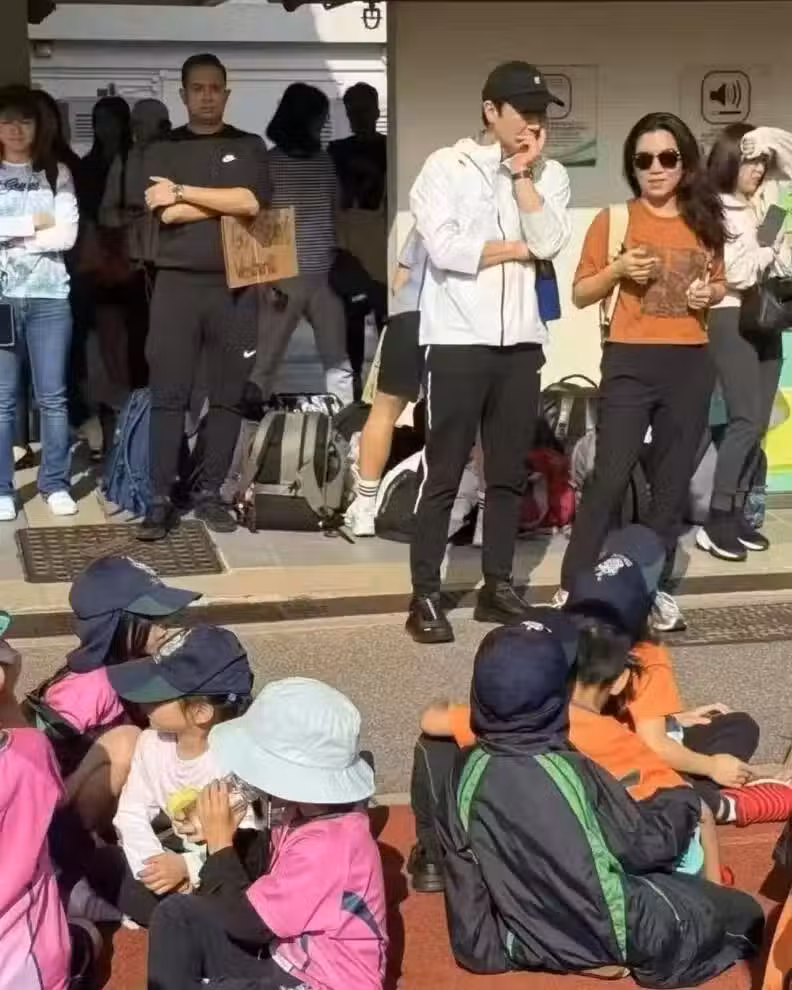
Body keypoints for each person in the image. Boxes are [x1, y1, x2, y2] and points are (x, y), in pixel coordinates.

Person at [434, 618, 764, 984]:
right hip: (611, 926)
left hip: (524, 932)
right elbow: (641, 847)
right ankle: (594, 954)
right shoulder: (571, 768)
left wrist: (487, 950)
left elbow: (464, 876)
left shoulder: (465, 769)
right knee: (745, 916)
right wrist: (682, 802)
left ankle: (563, 952)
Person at [405, 62, 571, 645]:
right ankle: (425, 593)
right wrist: (518, 247)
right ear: (490, 111)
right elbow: (446, 249)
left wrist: (523, 175)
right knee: (444, 470)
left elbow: (550, 241)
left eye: (540, 113)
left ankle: (497, 584)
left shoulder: (549, 175)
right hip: (456, 339)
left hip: (521, 343)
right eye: (522, 110)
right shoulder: (444, 166)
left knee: (507, 472)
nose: (532, 122)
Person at [556, 113, 728, 633]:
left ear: (685, 163)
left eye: (667, 157)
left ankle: (649, 589)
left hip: (690, 361)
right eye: (643, 159)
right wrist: (618, 270)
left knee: (671, 486)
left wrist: (709, 293)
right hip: (629, 359)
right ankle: (574, 586)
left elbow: (719, 282)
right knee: (610, 475)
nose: (655, 168)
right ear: (632, 166)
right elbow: (580, 292)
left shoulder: (704, 219)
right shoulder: (614, 219)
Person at [146, 676, 387, 990]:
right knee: (177, 914)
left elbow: (247, 924)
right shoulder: (299, 811)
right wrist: (229, 834)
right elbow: (260, 870)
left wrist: (220, 843)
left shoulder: (331, 846)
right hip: (283, 958)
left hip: (321, 982)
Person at [131, 53, 271, 540]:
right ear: (183, 94)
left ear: (226, 94)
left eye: (215, 88)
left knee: (228, 396)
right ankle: (160, 498)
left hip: (235, 286)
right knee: (169, 394)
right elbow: (166, 214)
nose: (207, 96)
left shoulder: (249, 145)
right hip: (177, 285)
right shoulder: (162, 149)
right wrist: (221, 199)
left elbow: (251, 202)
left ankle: (211, 493)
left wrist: (185, 192)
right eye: (198, 88)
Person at [70, 625, 256, 928]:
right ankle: (179, 919)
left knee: (233, 901)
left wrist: (188, 867)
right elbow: (131, 813)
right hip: (171, 862)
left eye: (157, 694)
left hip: (224, 870)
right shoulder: (151, 743)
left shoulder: (237, 760)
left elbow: (252, 843)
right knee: (105, 863)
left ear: (200, 712)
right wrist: (154, 867)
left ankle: (183, 923)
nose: (142, 700)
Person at [23, 556, 200, 830]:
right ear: (114, 626)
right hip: (60, 810)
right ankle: (88, 840)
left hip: (112, 786)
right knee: (128, 740)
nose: (165, 628)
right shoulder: (91, 685)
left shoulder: (138, 665)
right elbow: (34, 760)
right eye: (152, 619)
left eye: (165, 617)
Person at [697, 124, 792, 561]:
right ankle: (717, 520)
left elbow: (780, 263)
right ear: (729, 161)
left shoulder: (767, 204)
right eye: (750, 160)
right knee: (743, 420)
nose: (757, 170)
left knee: (759, 423)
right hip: (731, 315)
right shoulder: (718, 207)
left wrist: (769, 139)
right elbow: (737, 272)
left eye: (763, 162)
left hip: (768, 316)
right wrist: (771, 250)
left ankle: (736, 514)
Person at [0, 616, 100, 990]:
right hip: (21, 963)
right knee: (88, 935)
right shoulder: (27, 753)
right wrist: (7, 695)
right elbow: (54, 797)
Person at [247, 83, 354, 409]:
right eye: (319, 118)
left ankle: (345, 427)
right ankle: (251, 429)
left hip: (324, 275)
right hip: (282, 276)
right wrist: (262, 282)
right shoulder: (268, 163)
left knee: (338, 363)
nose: (323, 125)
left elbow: (335, 213)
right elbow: (255, 223)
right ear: (301, 118)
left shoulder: (323, 162)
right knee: (264, 364)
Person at [0, 84, 80, 523]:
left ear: (39, 126)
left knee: (53, 397)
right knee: (2, 400)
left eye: (25, 120)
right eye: (7, 121)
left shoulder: (56, 172)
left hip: (50, 297)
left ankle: (55, 483)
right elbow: (49, 229)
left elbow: (66, 236)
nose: (15, 129)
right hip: (2, 298)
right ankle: (3, 488)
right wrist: (35, 222)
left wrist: (9, 232)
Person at [345, 223, 428, 536]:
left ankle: (365, 507)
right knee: (461, 419)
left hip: (408, 318)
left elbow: (399, 280)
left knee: (384, 411)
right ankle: (477, 514)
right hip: (457, 326)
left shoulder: (427, 218)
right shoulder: (494, 218)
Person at [330, 82, 388, 395]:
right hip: (348, 243)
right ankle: (352, 382)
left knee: (385, 319)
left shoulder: (390, 148)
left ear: (377, 111)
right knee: (349, 319)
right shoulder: (336, 151)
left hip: (380, 244)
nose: (358, 117)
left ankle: (386, 383)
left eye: (364, 110)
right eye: (352, 112)